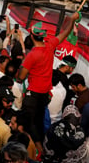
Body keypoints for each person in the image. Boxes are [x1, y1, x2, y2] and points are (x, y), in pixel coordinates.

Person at [16, 13, 80, 148]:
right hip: (45, 94)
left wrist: (23, 68)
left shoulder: (32, 55)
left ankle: (39, 150)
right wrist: (72, 20)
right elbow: (65, 33)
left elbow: (20, 77)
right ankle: (42, 148)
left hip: (33, 93)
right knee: (39, 122)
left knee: (30, 123)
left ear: (32, 36)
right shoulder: (50, 46)